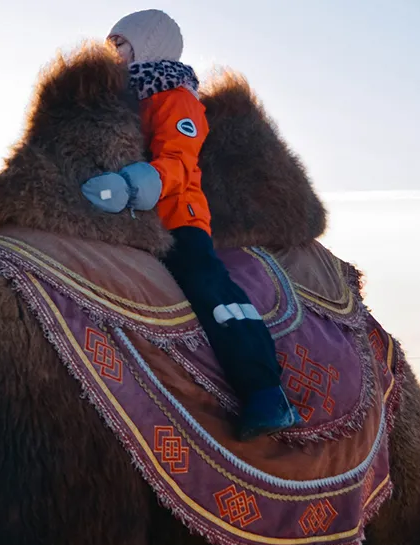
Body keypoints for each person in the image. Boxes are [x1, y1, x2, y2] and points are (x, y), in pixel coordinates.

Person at [95, 9, 297, 441]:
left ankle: (264, 390)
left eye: (120, 44)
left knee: (209, 287)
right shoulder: (112, 101)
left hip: (176, 217)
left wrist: (135, 183)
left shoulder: (173, 97)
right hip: (127, 223)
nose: (113, 53)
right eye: (110, 44)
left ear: (147, 45)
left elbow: (178, 160)